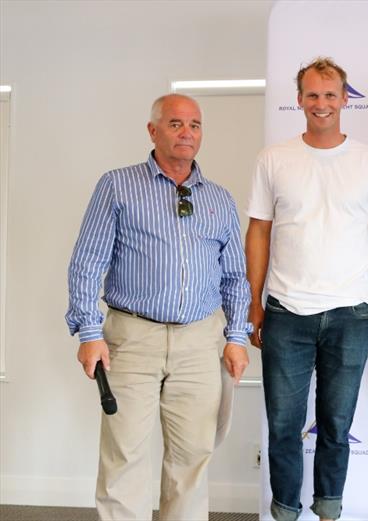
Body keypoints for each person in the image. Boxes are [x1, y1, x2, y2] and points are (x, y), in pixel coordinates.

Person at [65, 93, 252, 521]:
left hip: (200, 342)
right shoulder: (117, 185)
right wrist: (90, 333)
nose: (186, 133)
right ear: (153, 130)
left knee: (193, 458)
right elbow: (88, 262)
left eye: (195, 125)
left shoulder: (219, 199)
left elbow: (234, 277)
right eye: (175, 124)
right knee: (124, 456)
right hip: (132, 339)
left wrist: (236, 337)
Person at [245, 57, 368, 521]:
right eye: (312, 95)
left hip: (350, 315)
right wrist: (253, 302)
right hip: (285, 312)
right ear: (298, 100)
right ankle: (286, 512)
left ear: (345, 99)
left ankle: (329, 511)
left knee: (336, 426)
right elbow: (258, 231)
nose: (321, 103)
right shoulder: (273, 159)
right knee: (283, 426)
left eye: (330, 94)